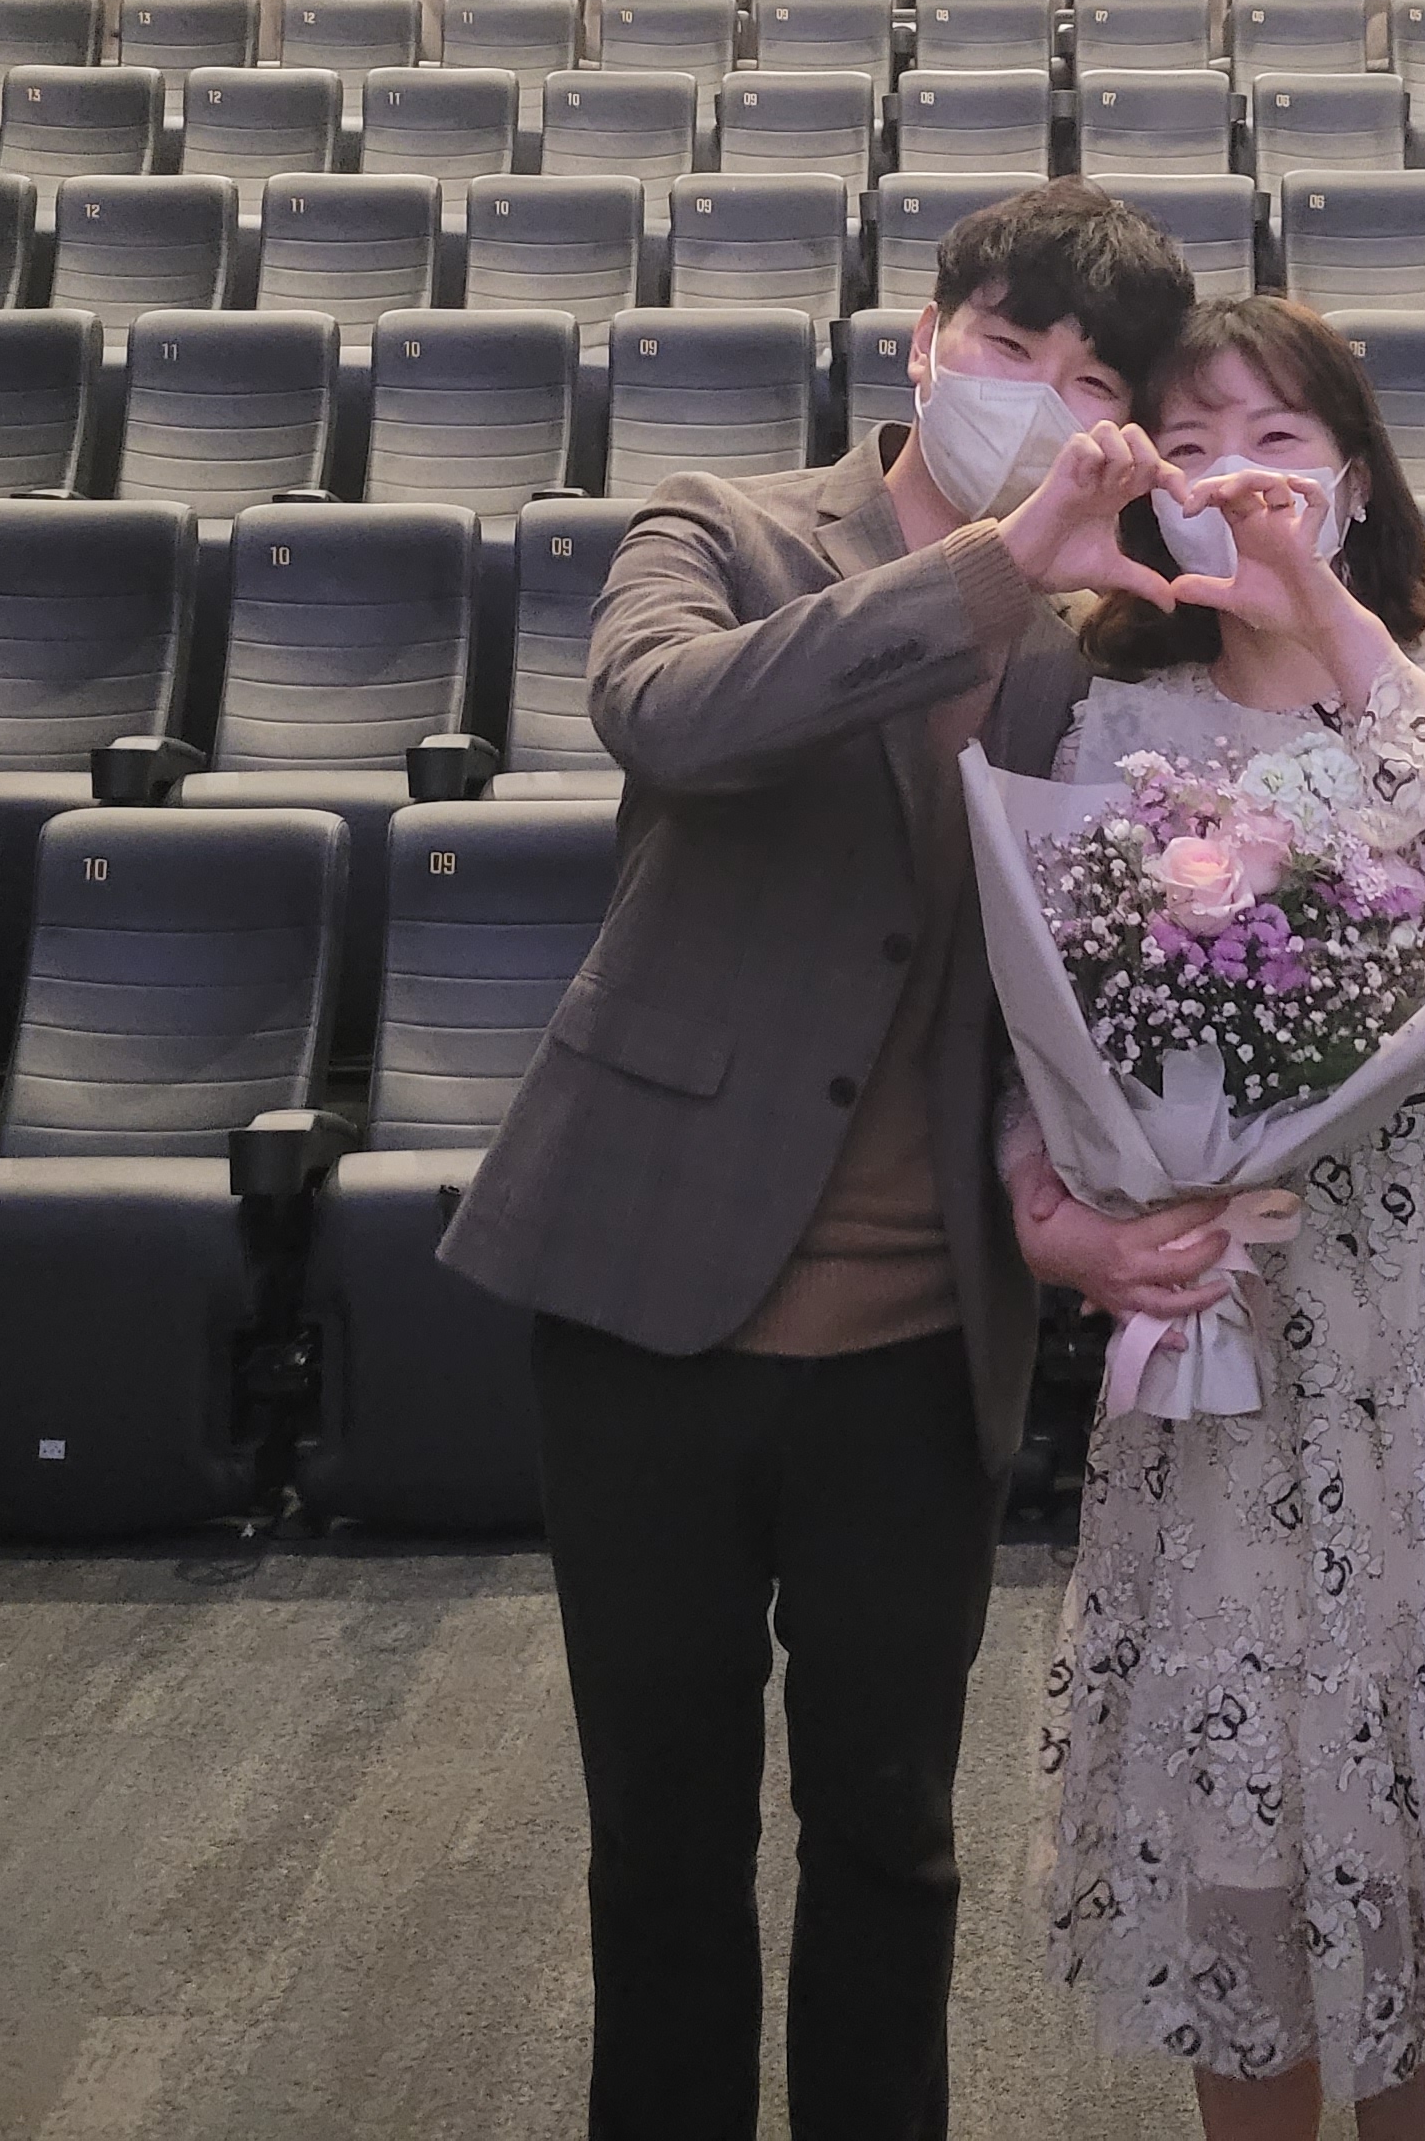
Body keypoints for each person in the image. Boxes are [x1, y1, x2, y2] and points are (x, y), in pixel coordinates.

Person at [442, 180, 1233, 2141]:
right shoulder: (722, 527)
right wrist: (987, 569)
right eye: (1010, 348)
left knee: (892, 1839)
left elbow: (1078, 980)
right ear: (922, 344)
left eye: (1094, 383)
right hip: (648, 1301)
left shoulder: (1098, 653)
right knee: (662, 1842)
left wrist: (1062, 1185)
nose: (1042, 400)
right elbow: (671, 719)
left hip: (916, 1341)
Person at [1004, 292, 1425, 2139]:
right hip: (1237, 1277)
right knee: (1252, 1786)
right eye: (1191, 443)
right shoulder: (1106, 716)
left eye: (1278, 439)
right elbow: (1035, 1015)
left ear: (1356, 479)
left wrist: (1330, 625)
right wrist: (1055, 1201)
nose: (1236, 475)